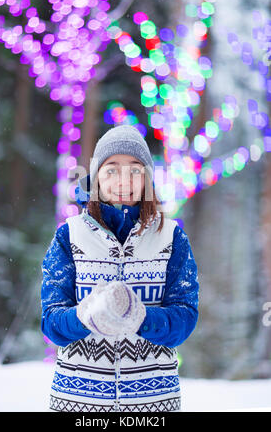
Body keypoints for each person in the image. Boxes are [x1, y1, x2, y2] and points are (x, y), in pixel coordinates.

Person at [41, 124, 199, 413]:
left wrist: (141, 318)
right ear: (96, 177)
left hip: (153, 407)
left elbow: (185, 320)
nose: (123, 180)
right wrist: (86, 315)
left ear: (147, 179)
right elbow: (51, 324)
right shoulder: (69, 235)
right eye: (111, 169)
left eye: (135, 169)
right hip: (78, 404)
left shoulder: (172, 238)